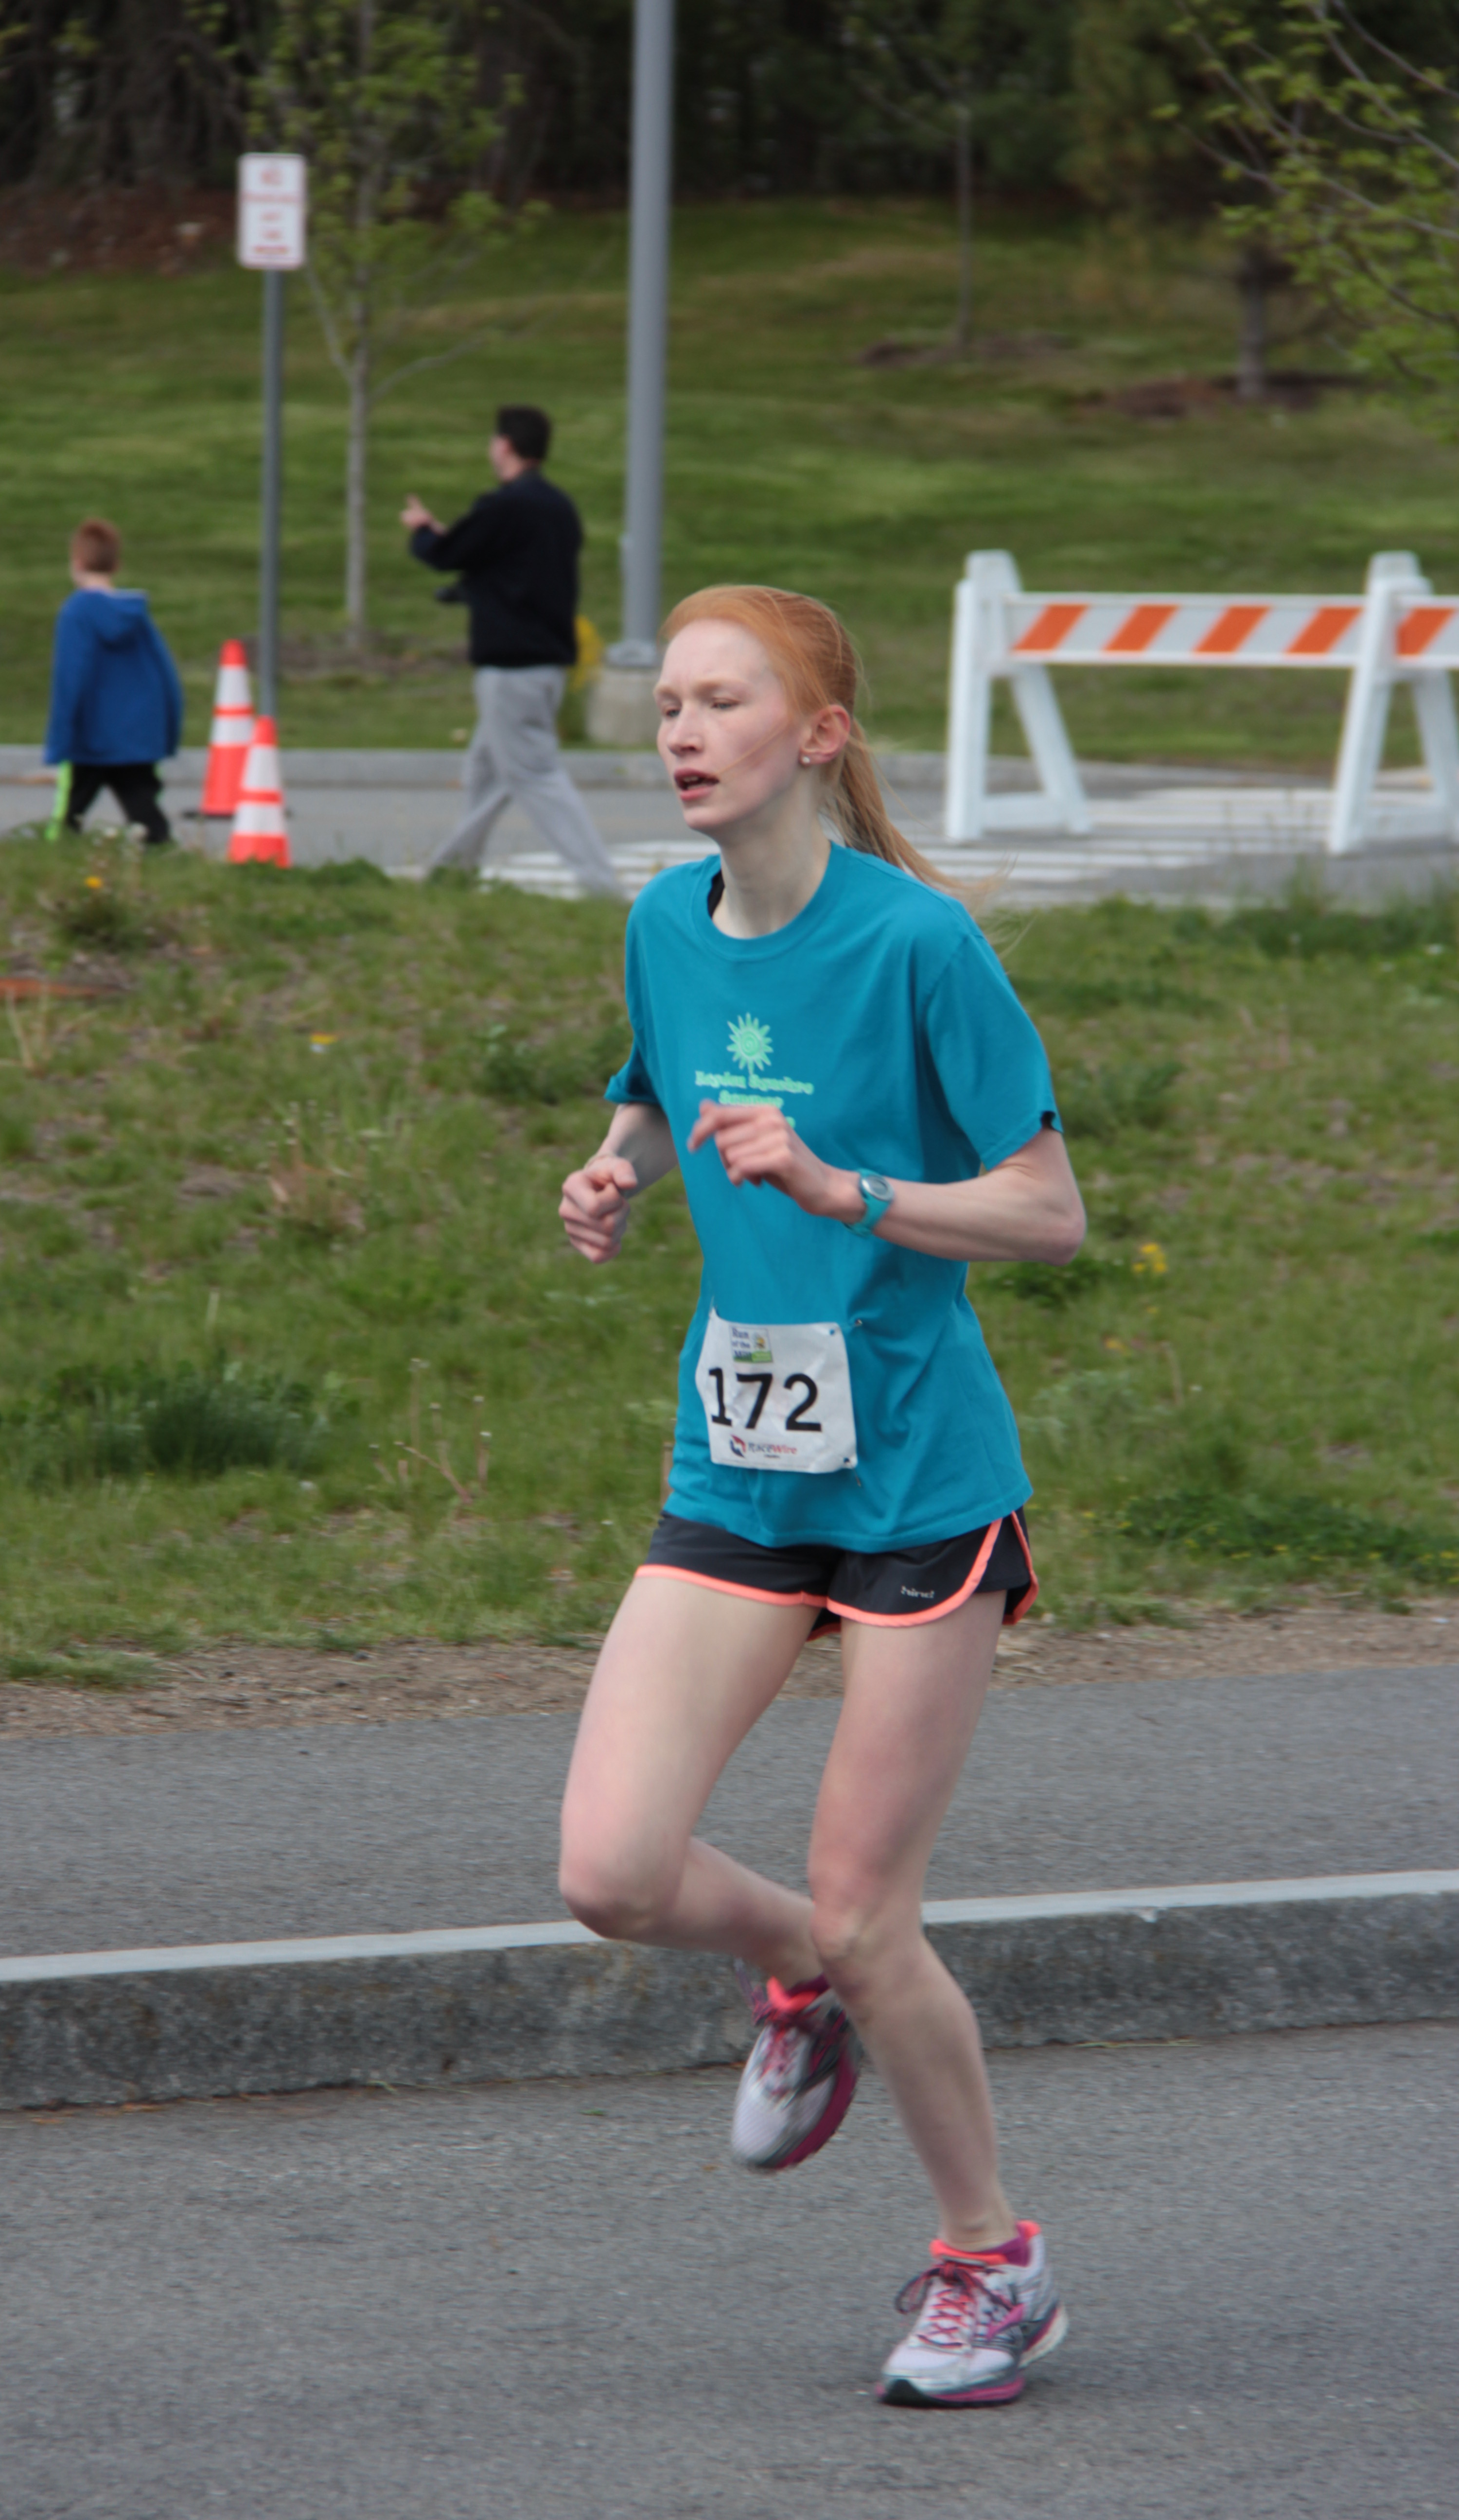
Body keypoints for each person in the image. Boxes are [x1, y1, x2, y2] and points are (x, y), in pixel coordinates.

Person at [556, 585, 1087, 2410]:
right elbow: (657, 1089)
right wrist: (615, 1169)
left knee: (878, 1917)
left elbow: (1047, 1213)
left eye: (723, 703)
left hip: (919, 1484)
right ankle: (801, 1976)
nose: (683, 734)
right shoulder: (663, 922)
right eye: (669, 705)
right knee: (612, 1872)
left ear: (819, 736)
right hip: (741, 1462)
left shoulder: (919, 946)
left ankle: (990, 2264)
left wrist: (846, 1187)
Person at [401, 406, 623, 898]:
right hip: (548, 663)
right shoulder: (559, 508)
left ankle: (601, 886)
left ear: (504, 446)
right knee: (487, 771)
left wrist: (422, 529)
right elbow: (510, 569)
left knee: (535, 776)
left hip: (511, 668)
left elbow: (448, 554)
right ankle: (453, 874)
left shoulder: (505, 507)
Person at [44, 517, 183, 845]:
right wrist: (167, 731)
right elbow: (166, 675)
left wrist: (60, 739)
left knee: (69, 815)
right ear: (116, 566)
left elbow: (70, 678)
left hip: (90, 739)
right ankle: (163, 856)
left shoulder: (76, 613)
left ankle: (55, 857)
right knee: (146, 813)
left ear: (77, 564)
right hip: (136, 736)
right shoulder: (136, 615)